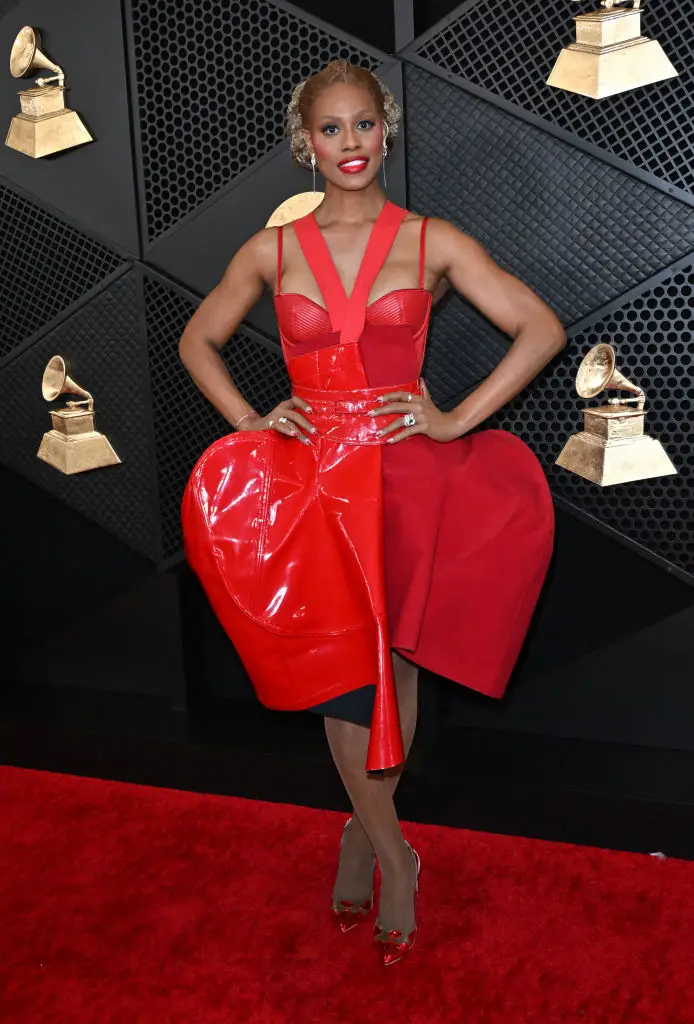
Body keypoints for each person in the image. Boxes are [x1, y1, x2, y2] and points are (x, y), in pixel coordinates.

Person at [178, 60, 566, 966]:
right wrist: (250, 417)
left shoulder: (430, 239)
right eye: (330, 129)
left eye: (363, 125)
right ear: (303, 143)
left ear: (386, 131)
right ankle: (395, 848)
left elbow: (539, 326)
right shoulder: (271, 252)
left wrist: (455, 417)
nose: (349, 144)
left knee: (392, 660)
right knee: (343, 671)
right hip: (313, 482)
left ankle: (364, 835)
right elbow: (200, 337)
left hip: (403, 481)